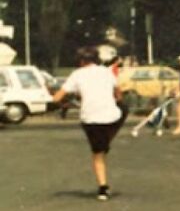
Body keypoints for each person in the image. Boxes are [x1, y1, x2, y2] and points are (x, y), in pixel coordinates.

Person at [52, 46, 129, 201]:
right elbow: (118, 92)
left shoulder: (77, 74)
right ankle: (107, 140)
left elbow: (57, 98)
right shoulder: (106, 71)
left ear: (81, 61)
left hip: (91, 119)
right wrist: (116, 99)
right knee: (123, 109)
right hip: (111, 117)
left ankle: (103, 188)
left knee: (98, 155)